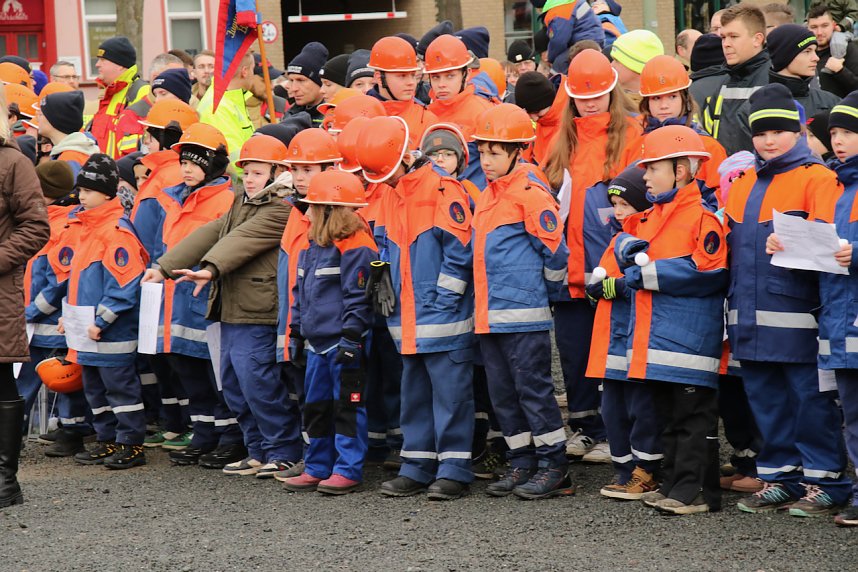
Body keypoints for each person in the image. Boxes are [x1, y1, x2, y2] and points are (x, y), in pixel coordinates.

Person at [726, 83, 850, 516]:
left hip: (800, 314)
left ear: (796, 131)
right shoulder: (741, 184)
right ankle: (780, 476)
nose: (769, 140)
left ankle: (826, 480)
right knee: (765, 400)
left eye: (779, 130)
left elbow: (832, 246)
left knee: (810, 400)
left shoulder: (817, 178)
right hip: (749, 317)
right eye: (761, 133)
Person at [155, 129, 297, 478]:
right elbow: (213, 231)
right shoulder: (242, 202)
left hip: (258, 310)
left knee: (257, 382)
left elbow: (241, 239)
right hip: (233, 308)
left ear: (277, 174)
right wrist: (164, 266)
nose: (248, 179)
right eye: (246, 172)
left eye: (257, 172)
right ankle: (257, 450)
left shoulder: (282, 207)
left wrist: (209, 269)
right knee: (234, 384)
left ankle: (283, 451)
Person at [357, 116, 476, 501]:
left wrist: (442, 301)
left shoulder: (445, 190)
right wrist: (380, 277)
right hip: (405, 319)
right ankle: (417, 466)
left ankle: (454, 469)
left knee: (451, 397)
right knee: (415, 396)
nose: (385, 181)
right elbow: (383, 246)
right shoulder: (391, 193)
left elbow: (460, 253)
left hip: (442, 319)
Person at [618, 125, 727, 515]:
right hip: (657, 340)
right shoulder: (651, 217)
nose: (645, 176)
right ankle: (675, 484)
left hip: (689, 342)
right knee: (668, 418)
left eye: (652, 168)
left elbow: (709, 271)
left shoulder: (702, 218)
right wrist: (626, 248)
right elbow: (624, 244)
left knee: (691, 420)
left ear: (681, 170)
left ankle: (695, 492)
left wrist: (647, 273)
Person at [541, 48, 642, 463]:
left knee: (616, 352)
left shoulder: (633, 134)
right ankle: (586, 428)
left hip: (612, 267)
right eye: (582, 96)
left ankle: (621, 433)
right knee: (574, 352)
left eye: (597, 94)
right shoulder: (556, 138)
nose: (590, 102)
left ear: (612, 90)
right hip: (569, 269)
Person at [469, 104, 572, 499]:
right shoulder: (489, 195)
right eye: (482, 152)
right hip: (490, 317)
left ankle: (554, 465)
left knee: (533, 391)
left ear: (517, 151)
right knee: (503, 395)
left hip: (524, 318)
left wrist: (542, 298)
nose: (486, 160)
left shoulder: (530, 193)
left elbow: (555, 255)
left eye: (494, 153)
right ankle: (522, 461)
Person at [139, 124, 242, 468]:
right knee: (188, 370)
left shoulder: (227, 200)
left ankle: (230, 437)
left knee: (217, 374)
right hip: (175, 300)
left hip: (205, 298)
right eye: (183, 161)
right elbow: (162, 246)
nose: (186, 168)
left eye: (195, 163)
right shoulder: (174, 197)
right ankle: (204, 433)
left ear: (213, 165)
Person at [48, 154, 149, 470]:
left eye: (88, 191)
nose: (81, 196)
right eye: (80, 190)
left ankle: (131, 443)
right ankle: (106, 439)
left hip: (109, 332)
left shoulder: (116, 230)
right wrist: (69, 316)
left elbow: (125, 284)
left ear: (107, 192)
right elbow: (74, 280)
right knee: (94, 388)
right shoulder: (83, 226)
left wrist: (101, 320)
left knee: (121, 389)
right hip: (85, 330)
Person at [283, 170, 377, 495]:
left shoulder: (357, 245)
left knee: (348, 407)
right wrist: (295, 334)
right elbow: (300, 292)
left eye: (311, 206)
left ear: (328, 209)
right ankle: (318, 466)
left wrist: (352, 336)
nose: (306, 213)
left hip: (342, 343)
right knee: (317, 408)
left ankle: (348, 469)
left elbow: (360, 296)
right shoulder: (313, 245)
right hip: (317, 344)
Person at [585, 166, 659, 501]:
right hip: (610, 342)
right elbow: (597, 284)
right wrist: (596, 289)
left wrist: (613, 287)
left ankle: (644, 471)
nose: (617, 212)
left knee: (640, 407)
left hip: (631, 339)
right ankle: (624, 469)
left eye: (624, 205)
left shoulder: (646, 239)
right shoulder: (617, 239)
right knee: (612, 408)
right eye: (614, 205)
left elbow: (645, 283)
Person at [274, 127, 340, 483]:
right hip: (299, 319)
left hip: (326, 325)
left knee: (329, 400)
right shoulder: (293, 211)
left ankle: (332, 462)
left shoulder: (333, 214)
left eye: (309, 170)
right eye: (295, 169)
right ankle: (314, 459)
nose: (299, 178)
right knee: (306, 396)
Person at [19, 161, 92, 457]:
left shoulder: (64, 224)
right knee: (29, 382)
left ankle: (72, 431)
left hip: (50, 323)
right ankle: (15, 434)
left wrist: (31, 311)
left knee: (65, 379)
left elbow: (59, 280)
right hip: (36, 321)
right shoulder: (50, 219)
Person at [0, 102, 50, 508]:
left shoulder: (13, 162)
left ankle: (4, 479)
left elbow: (36, 227)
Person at [815, 91, 858, 526]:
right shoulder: (835, 185)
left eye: (848, 132)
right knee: (852, 413)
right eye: (835, 133)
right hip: (840, 319)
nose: (839, 140)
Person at [635, 55, 728, 209]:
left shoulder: (708, 148)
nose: (664, 105)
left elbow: (721, 198)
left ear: (684, 99)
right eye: (656, 98)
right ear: (647, 102)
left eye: (672, 97)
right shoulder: (634, 144)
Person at [736, 24, 838, 145]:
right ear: (785, 56)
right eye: (807, 51)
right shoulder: (751, 109)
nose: (815, 58)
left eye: (815, 51)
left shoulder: (831, 102)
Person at [691, 4, 770, 155]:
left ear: (757, 39)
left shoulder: (774, 79)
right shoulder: (723, 85)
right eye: (723, 37)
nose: (726, 44)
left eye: (733, 37)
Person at [425, 34, 494, 189]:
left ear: (466, 74)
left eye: (450, 76)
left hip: (474, 202)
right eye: (435, 77)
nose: (441, 84)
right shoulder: (426, 114)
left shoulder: (483, 112)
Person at [367, 36, 439, 150]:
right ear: (379, 78)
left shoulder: (427, 119)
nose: (411, 82)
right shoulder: (359, 113)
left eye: (412, 75)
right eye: (402, 76)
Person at [87, 36, 150, 159]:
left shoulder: (141, 92)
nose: (97, 64)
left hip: (123, 173)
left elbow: (142, 142)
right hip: (104, 173)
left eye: (103, 60)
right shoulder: (109, 93)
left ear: (120, 65)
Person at [196, 52, 254, 167]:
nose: (254, 74)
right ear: (245, 71)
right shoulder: (219, 105)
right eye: (253, 69)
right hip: (236, 181)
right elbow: (232, 159)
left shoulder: (230, 100)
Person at [37, 91, 98, 176]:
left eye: (41, 114)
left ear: (55, 120)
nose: (37, 119)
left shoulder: (69, 160)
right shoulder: (76, 150)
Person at [534, 0, 605, 68]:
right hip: (593, 39)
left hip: (585, 42)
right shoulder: (568, 3)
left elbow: (559, 41)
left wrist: (551, 59)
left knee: (560, 63)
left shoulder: (558, 11)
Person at [514, 71, 564, 167]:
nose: (534, 118)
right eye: (529, 113)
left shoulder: (571, 118)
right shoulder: (538, 123)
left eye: (537, 112)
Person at [808, 5, 858, 98]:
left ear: (834, 25)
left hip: (840, 110)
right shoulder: (802, 53)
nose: (819, 32)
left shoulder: (847, 49)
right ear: (807, 28)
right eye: (814, 27)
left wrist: (841, 71)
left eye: (824, 26)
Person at [609, 29, 665, 105]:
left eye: (617, 61)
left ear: (637, 67)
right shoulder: (607, 99)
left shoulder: (658, 108)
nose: (611, 65)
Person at [285, 42, 328, 127]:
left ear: (320, 82)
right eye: (291, 80)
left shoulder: (332, 119)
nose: (294, 88)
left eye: (301, 80)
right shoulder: (290, 114)